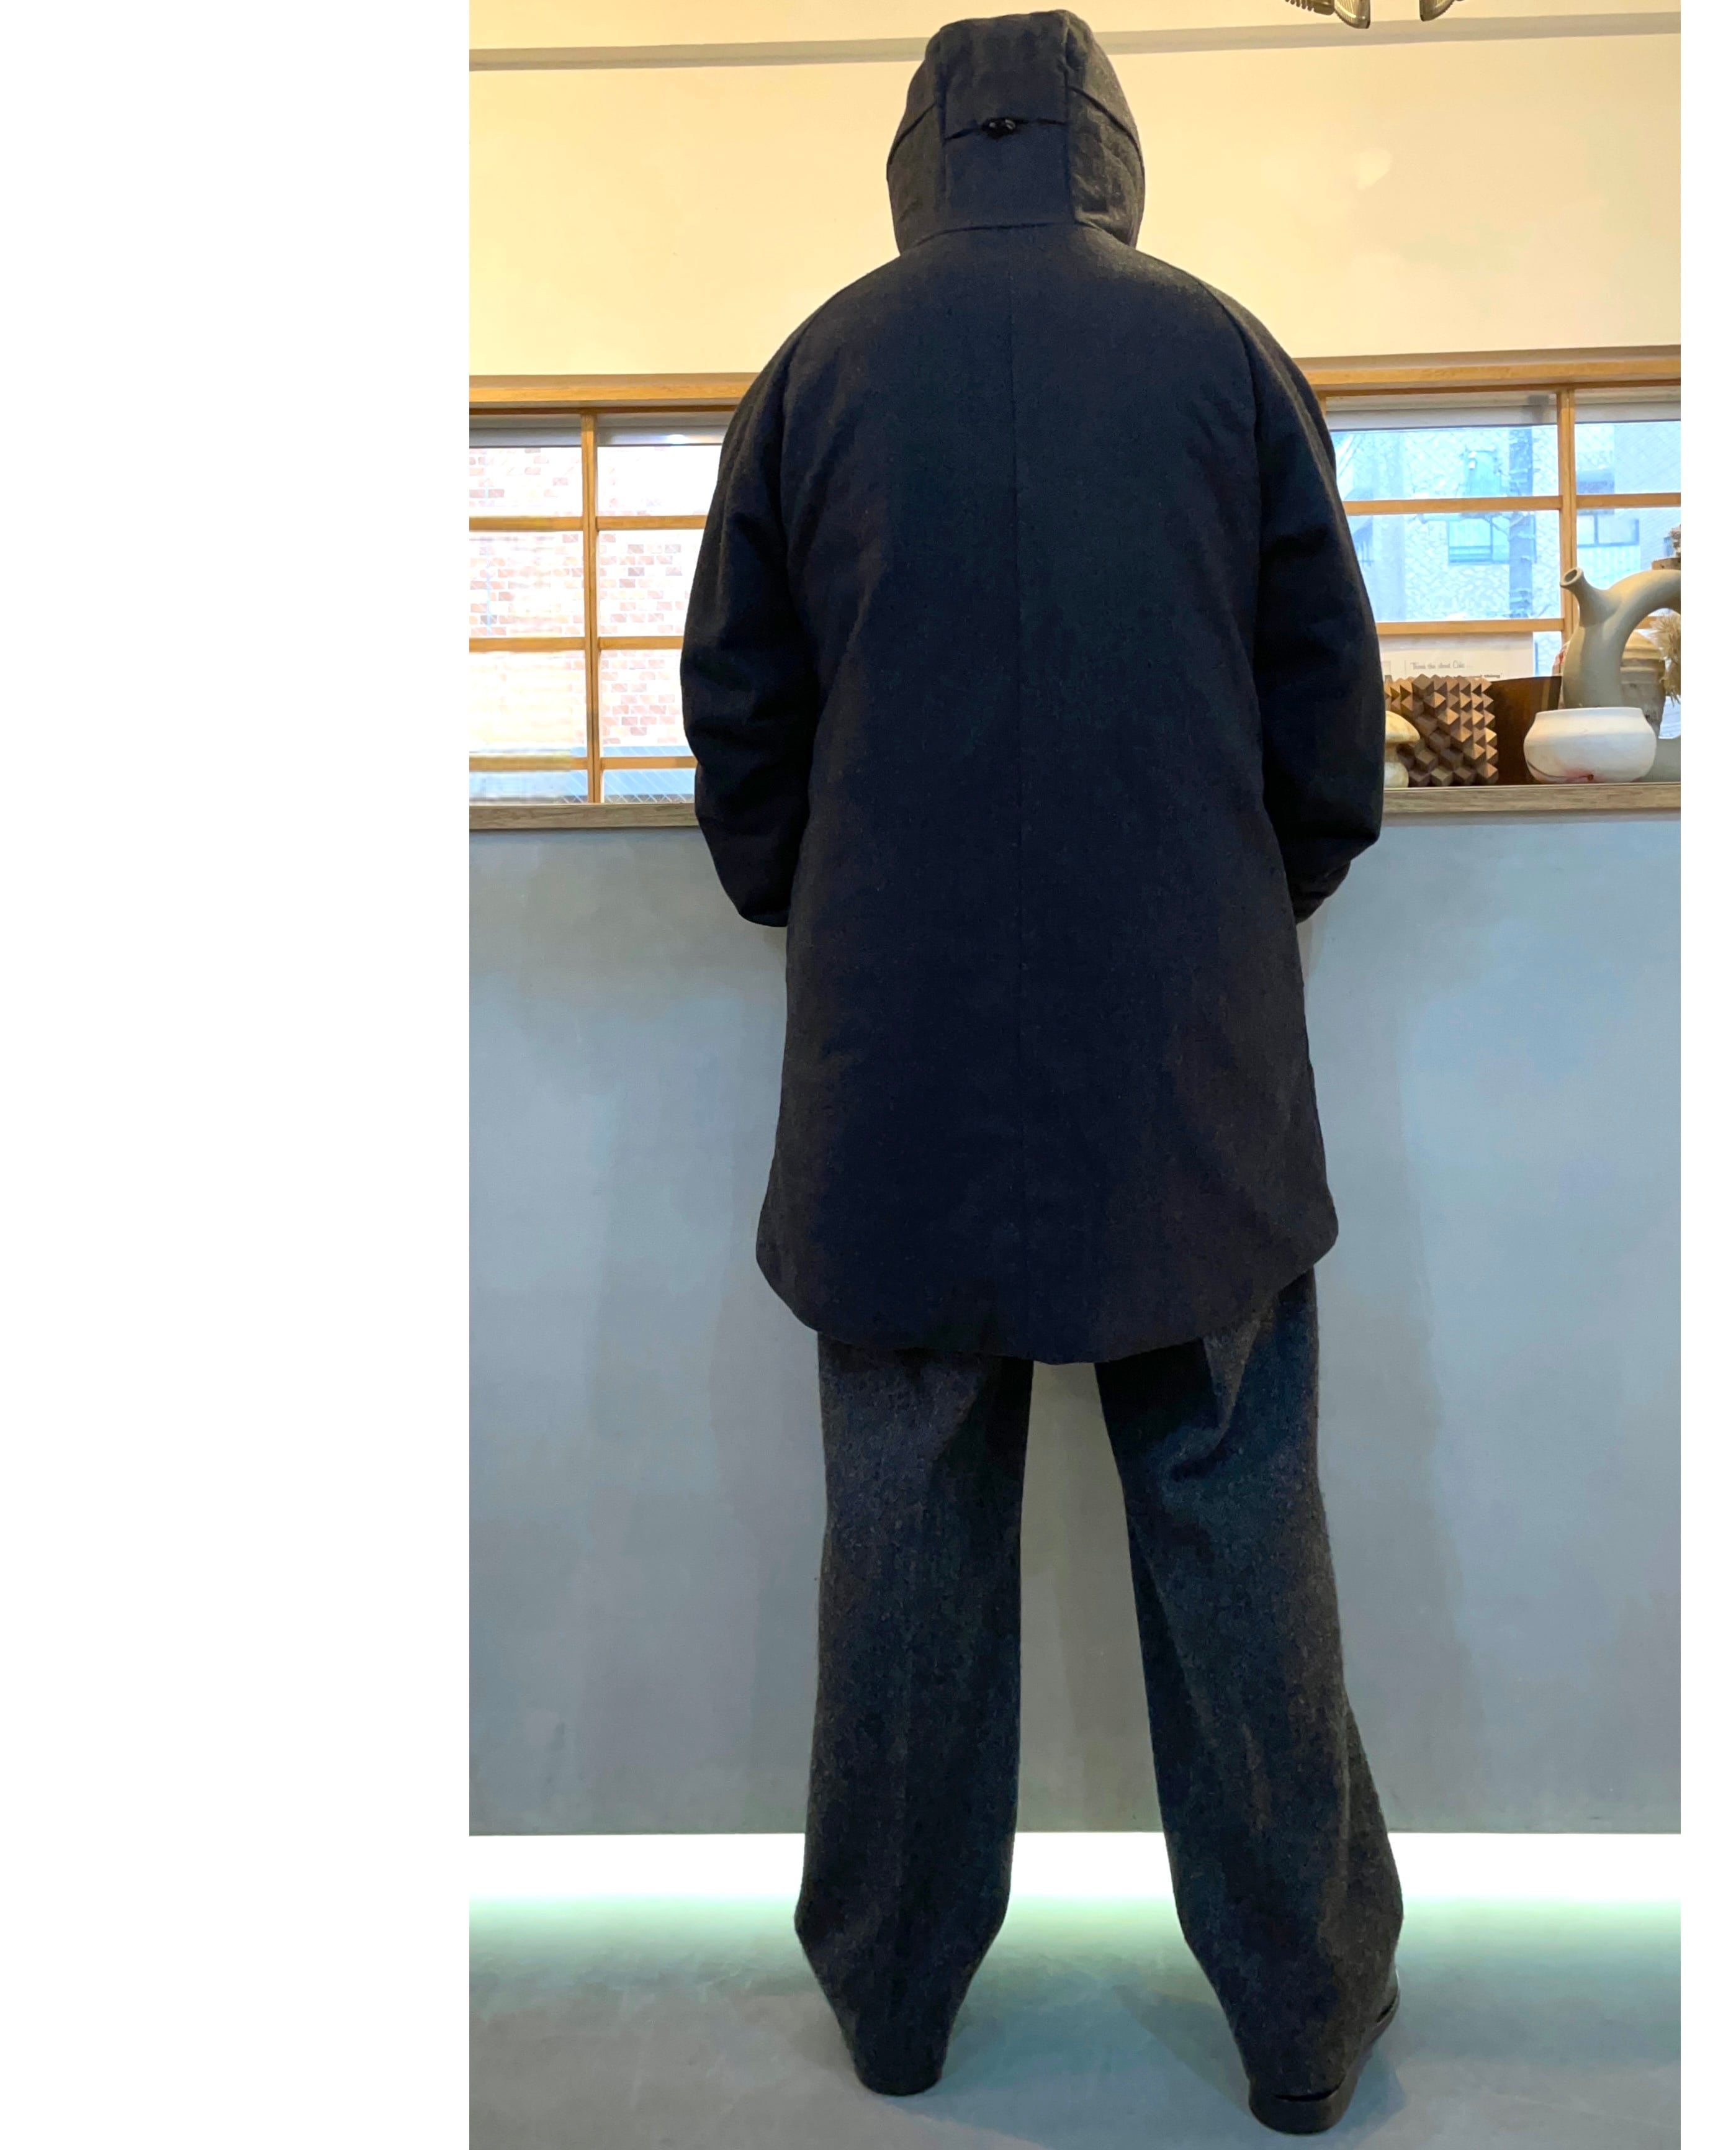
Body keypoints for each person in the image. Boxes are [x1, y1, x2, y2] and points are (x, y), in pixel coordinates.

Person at [681, 10, 1401, 2133]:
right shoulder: (1226, 356)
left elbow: (741, 717)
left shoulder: (813, 370)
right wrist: (1236, 904)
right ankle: (1304, 2024)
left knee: (904, 1536)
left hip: (894, 1066)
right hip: (1192, 1069)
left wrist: (816, 902)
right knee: (1235, 1517)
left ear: (920, 149)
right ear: (1107, 143)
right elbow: (1329, 732)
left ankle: (895, 2009)